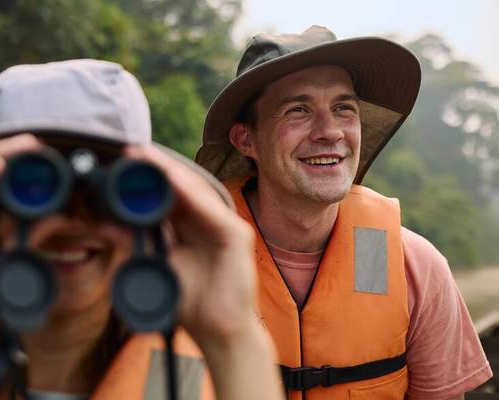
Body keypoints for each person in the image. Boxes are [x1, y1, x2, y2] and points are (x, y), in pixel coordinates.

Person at [0, 59, 283, 400]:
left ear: (156, 213)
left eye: (106, 195)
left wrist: (233, 334)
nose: (71, 220)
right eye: (34, 186)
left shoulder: (212, 383)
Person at [195, 26, 492, 399]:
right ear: (246, 139)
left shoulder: (416, 266)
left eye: (343, 109)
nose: (329, 132)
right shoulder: (190, 262)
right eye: (298, 110)